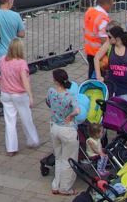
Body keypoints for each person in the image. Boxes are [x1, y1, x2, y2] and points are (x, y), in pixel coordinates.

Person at [0, 38, 39, 156]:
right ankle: (33, 140)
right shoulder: (21, 63)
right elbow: (25, 81)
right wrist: (30, 95)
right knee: (26, 118)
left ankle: (11, 148)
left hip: (6, 93)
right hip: (19, 94)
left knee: (10, 121)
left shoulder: (2, 60)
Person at [45, 68, 80, 197]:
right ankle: (65, 188)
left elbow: (48, 103)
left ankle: (56, 185)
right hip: (67, 130)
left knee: (58, 158)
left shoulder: (51, 92)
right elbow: (77, 110)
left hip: (55, 127)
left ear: (55, 80)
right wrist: (70, 115)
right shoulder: (69, 96)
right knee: (68, 160)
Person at [95, 24, 127, 102]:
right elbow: (96, 58)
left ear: (117, 38)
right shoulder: (109, 45)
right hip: (116, 85)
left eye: (110, 37)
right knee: (125, 105)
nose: (108, 38)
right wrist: (98, 76)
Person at [83, 0, 113, 80]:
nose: (112, 6)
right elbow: (103, 38)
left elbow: (85, 28)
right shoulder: (103, 18)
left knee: (91, 73)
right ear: (106, 4)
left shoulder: (89, 11)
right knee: (101, 77)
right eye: (111, 4)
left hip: (89, 50)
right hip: (100, 54)